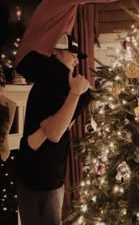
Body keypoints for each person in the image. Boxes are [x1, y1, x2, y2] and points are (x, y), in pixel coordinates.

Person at [16, 34, 92, 225]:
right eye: (71, 53)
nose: (76, 59)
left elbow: (59, 127)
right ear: (56, 53)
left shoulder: (62, 86)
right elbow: (55, 133)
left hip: (53, 175)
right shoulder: (48, 84)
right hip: (36, 179)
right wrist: (75, 94)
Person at [15, 0, 139, 78]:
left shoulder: (66, 3)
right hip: (32, 57)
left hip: (34, 58)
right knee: (75, 90)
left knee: (69, 90)